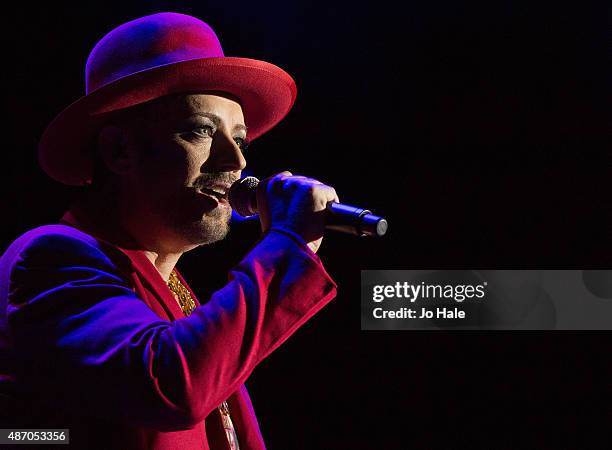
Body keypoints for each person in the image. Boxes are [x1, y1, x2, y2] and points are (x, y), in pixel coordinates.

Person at [0, 12, 338, 450]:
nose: (236, 161)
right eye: (201, 131)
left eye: (241, 140)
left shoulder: (176, 294)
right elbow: (172, 385)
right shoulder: (51, 258)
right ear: (120, 149)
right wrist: (288, 246)